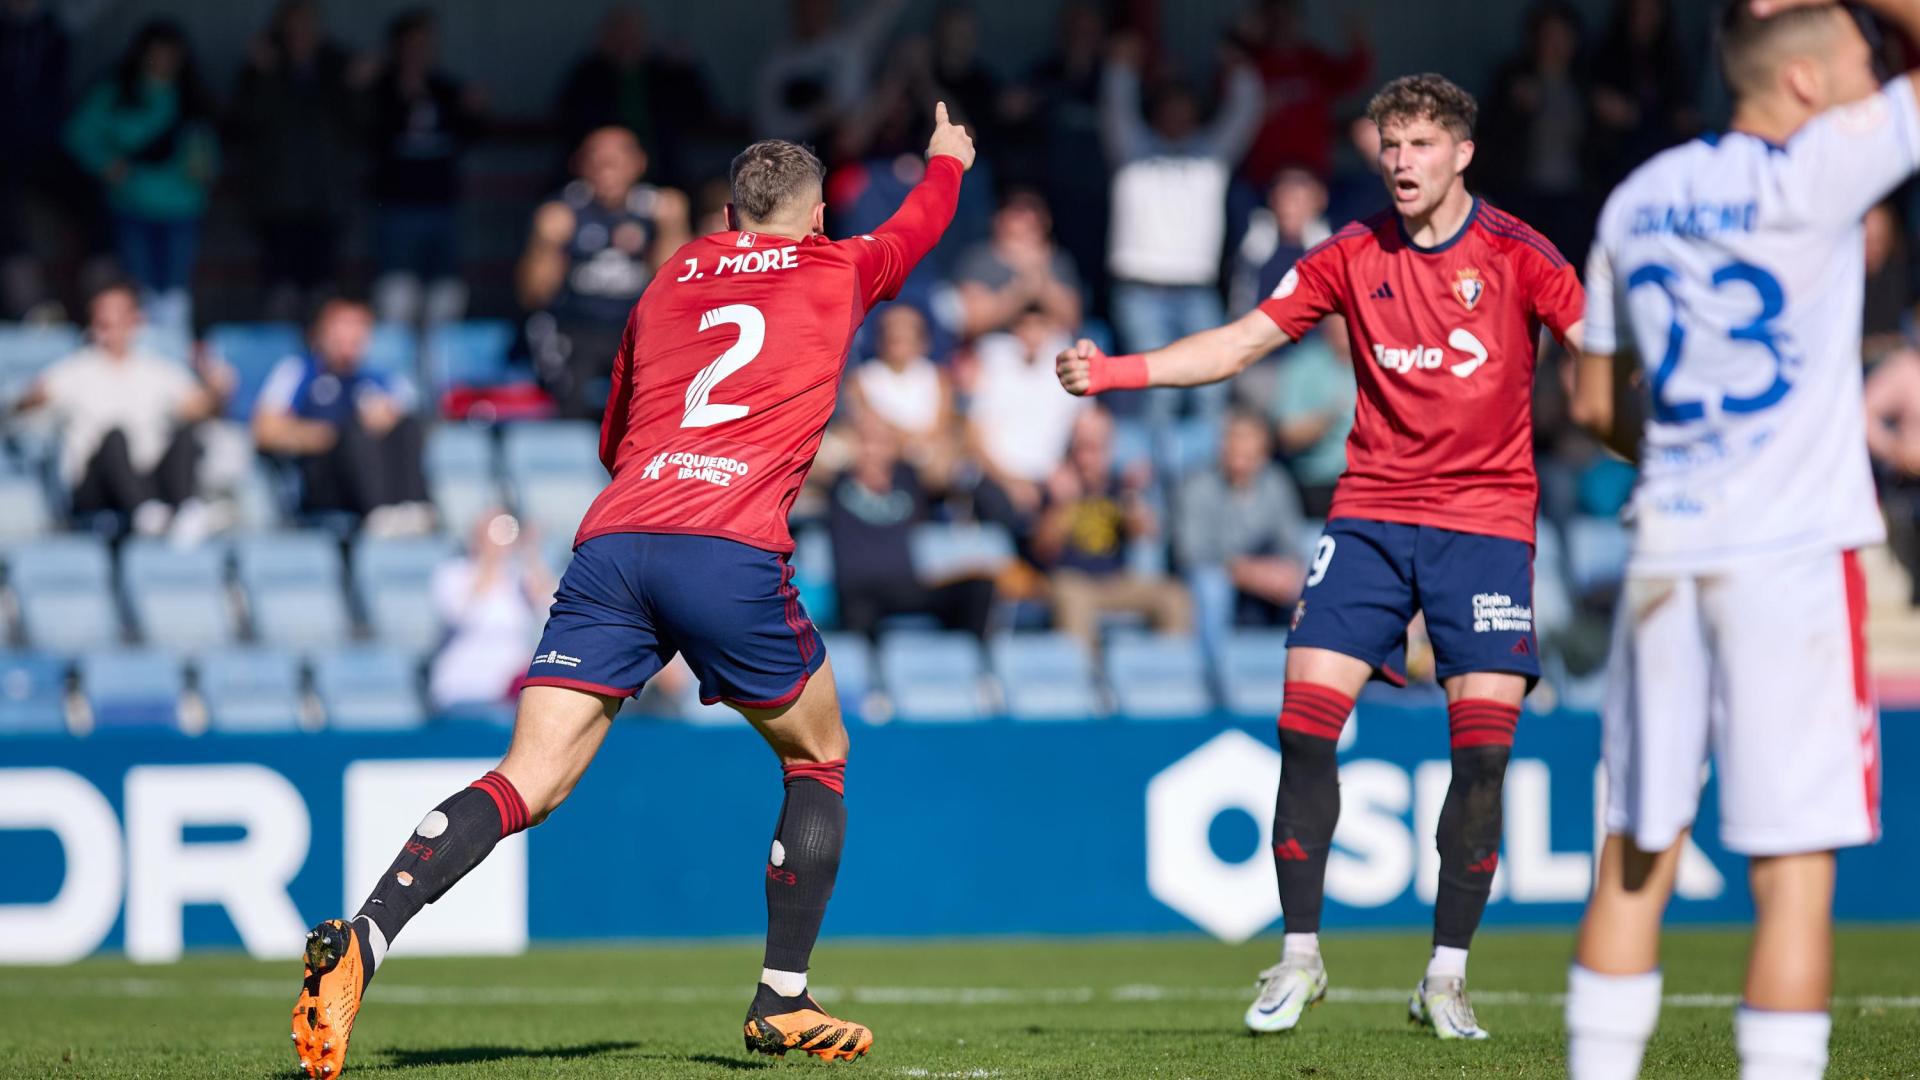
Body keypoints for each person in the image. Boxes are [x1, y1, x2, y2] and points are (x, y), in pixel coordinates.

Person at [288, 104, 975, 1077]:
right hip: (726, 547)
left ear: (732, 215)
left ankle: (367, 935)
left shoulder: (668, 279)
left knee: (528, 778)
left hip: (615, 541)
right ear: (815, 217)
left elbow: (614, 434)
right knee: (819, 755)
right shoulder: (840, 266)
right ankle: (782, 997)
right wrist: (946, 162)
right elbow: (918, 227)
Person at [1058, 73, 1586, 1040]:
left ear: (1463, 153)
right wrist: (1117, 372)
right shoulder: (1349, 254)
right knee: (1304, 729)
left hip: (1487, 525)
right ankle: (1299, 957)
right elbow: (1239, 344)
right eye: (1390, 145)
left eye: (1422, 145)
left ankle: (1446, 977)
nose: (1401, 162)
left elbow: (1604, 350)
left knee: (1480, 760)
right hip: (1372, 518)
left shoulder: (1519, 254)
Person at [1564, 3, 1915, 1077]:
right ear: (1805, 83)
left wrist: (1684, 437)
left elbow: (1589, 404)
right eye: (1862, 64)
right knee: (1793, 869)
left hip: (1666, 545)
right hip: (1791, 558)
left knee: (1635, 848)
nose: (1874, 78)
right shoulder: (1819, 177)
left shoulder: (1637, 197)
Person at [1100, 34, 1262, 432]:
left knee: (1212, 392)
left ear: (1195, 112)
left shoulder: (1211, 153)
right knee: (1157, 395)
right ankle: (1156, 493)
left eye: (1184, 108)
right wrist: (1122, 66)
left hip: (1197, 290)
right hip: (1140, 289)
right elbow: (1115, 105)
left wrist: (1236, 65)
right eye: (1169, 108)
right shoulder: (1132, 148)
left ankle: (1199, 494)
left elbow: (1247, 109)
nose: (1176, 116)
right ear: (1156, 112)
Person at [12, 282, 229, 536]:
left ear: (134, 321)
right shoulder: (74, 370)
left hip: (149, 479)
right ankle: (146, 514)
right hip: (95, 487)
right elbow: (25, 402)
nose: (110, 326)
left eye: (118, 317)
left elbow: (196, 407)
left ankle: (187, 512)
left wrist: (216, 390)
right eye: (103, 319)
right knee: (115, 436)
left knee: (186, 434)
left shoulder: (157, 370)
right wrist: (30, 398)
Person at [518, 126, 691, 419]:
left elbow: (680, 291)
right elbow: (533, 296)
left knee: (661, 396)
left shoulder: (656, 210)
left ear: (639, 164)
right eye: (597, 160)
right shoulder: (564, 210)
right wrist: (545, 245)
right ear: (580, 165)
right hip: (576, 329)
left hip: (637, 330)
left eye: (617, 160)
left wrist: (671, 229)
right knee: (568, 393)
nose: (607, 169)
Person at [63, 19, 218, 338]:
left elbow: (207, 145)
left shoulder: (190, 96)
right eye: (156, 54)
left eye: (171, 55)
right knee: (139, 287)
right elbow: (77, 133)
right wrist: (105, 163)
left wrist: (205, 169)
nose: (163, 62)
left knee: (175, 292)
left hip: (181, 207)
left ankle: (173, 349)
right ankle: (142, 349)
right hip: (132, 204)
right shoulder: (117, 91)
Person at [253, 298, 433, 535]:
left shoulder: (380, 379)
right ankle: (378, 512)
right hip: (323, 482)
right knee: (353, 430)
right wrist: (332, 435)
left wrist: (386, 418)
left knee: (407, 424)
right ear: (320, 334)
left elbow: (416, 423)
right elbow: (265, 430)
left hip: (382, 476)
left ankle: (414, 508)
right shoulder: (298, 372)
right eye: (341, 332)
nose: (348, 343)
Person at [231, 0, 359, 320]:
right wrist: (266, 74)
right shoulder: (263, 68)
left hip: (327, 196)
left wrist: (358, 87)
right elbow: (246, 121)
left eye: (308, 25)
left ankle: (321, 360)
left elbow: (362, 125)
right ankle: (283, 361)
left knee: (323, 290)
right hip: (278, 198)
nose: (302, 33)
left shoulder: (336, 67)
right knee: (280, 291)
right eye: (294, 26)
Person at [361, 7, 483, 326]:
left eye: (425, 44)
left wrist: (475, 111)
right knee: (396, 297)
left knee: (446, 297)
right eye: (411, 44)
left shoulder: (446, 89)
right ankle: (398, 373)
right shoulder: (380, 89)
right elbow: (362, 135)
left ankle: (438, 373)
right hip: (397, 206)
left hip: (442, 204)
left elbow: (472, 136)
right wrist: (369, 90)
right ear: (397, 47)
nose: (418, 52)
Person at [1035, 407, 1190, 649]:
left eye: (1096, 448)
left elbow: (1146, 533)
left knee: (1173, 597)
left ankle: (1164, 677)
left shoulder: (1119, 486)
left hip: (1114, 581)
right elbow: (1042, 549)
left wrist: (1134, 497)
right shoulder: (1057, 487)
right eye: (1082, 447)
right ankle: (1081, 680)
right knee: (1073, 600)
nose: (1087, 458)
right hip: (1071, 580)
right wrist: (1060, 506)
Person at [828, 416, 994, 638]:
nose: (872, 452)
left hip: (906, 586)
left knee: (979, 588)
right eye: (865, 442)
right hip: (860, 589)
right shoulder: (837, 482)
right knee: (859, 610)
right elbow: (815, 459)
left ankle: (972, 665)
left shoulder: (908, 479)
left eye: (880, 443)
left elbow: (947, 468)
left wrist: (912, 444)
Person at [1177, 409, 1307, 662]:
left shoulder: (1276, 483)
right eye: (1233, 446)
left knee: (1312, 578)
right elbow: (1190, 551)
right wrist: (1244, 572)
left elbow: (1291, 542)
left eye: (1248, 452)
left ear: (1263, 454)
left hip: (1268, 575)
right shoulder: (1198, 487)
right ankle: (1217, 674)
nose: (1240, 459)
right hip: (1221, 577)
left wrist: (1285, 570)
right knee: (1211, 588)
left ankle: (1309, 668)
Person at [965, 303, 1086, 539]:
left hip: (1048, 480)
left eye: (1039, 326)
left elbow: (1084, 427)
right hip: (998, 478)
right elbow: (973, 436)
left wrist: (1068, 469)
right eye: (1025, 326)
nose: (1031, 334)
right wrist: (1011, 482)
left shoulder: (1065, 362)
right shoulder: (992, 359)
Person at [1235, 0, 1374, 185]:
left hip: (1313, 176)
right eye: (1276, 19)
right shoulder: (1249, 66)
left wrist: (1356, 33)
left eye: (1289, 18)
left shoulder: (1313, 60)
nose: (1283, 25)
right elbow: (1226, 104)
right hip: (1262, 178)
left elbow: (1354, 78)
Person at [430, 511, 556, 711]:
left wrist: (531, 554)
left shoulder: (519, 576)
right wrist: (489, 559)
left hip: (513, 685)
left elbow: (550, 607)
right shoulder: (454, 573)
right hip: (468, 685)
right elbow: (461, 616)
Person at [754, 0, 905, 145]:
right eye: (806, 6)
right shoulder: (777, 64)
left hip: (851, 146)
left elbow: (886, 8)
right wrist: (815, 120)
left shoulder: (850, 45)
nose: (813, 12)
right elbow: (768, 125)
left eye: (820, 4)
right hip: (796, 154)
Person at [844, 303, 959, 485]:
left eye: (908, 330)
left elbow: (941, 425)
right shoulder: (860, 380)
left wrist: (911, 443)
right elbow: (867, 422)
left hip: (926, 454)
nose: (899, 335)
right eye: (892, 330)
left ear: (922, 340)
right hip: (880, 451)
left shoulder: (939, 378)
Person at [953, 187, 1082, 339]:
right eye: (1018, 211)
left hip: (1049, 347)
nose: (1029, 217)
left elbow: (1073, 320)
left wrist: (1042, 281)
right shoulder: (979, 259)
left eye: (1035, 210)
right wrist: (1022, 290)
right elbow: (972, 321)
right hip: (994, 348)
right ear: (999, 218)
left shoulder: (1058, 259)